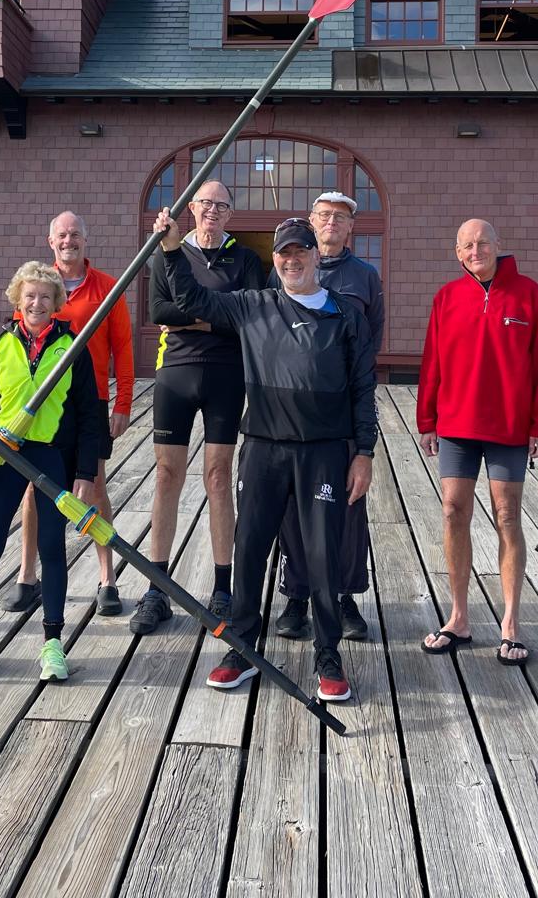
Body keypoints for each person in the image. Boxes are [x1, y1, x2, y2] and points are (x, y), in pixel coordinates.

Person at [153, 210, 376, 704]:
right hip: (263, 449)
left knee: (322, 554)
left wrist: (364, 453)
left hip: (323, 452)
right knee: (249, 548)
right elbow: (190, 298)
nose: (292, 261)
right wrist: (171, 248)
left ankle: (327, 654)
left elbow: (364, 387)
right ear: (274, 262)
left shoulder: (347, 315)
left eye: (300, 252)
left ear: (315, 256)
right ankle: (241, 648)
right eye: (283, 254)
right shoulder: (253, 305)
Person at [0, 262, 101, 683]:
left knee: (52, 547)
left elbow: (91, 412)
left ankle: (53, 644)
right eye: (29, 296)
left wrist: (86, 472)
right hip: (4, 454)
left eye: (45, 297)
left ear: (57, 303)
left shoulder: (72, 346)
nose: (37, 303)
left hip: (50, 455)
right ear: (18, 299)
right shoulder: (0, 344)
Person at [415, 219, 538, 665]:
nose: (476, 250)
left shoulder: (528, 294)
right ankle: (458, 617)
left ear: (499, 245)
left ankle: (510, 623)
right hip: (456, 423)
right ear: (457, 252)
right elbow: (432, 359)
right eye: (468, 245)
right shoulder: (447, 298)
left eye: (483, 242)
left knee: (507, 516)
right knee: (454, 511)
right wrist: (427, 418)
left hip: (509, 427)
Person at [136, 180, 265, 635]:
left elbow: (248, 316)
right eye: (205, 203)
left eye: (221, 206)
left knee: (217, 477)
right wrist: (213, 316)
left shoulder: (246, 259)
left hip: (227, 376)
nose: (212, 211)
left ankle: (223, 587)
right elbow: (158, 311)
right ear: (192, 207)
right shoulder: (168, 250)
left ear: (231, 214)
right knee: (167, 475)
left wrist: (200, 314)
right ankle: (156, 588)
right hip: (176, 372)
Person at [5, 212, 136, 618]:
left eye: (75, 234)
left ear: (85, 240)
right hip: (43, 403)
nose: (69, 241)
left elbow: (124, 348)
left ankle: (107, 578)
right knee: (33, 486)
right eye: (62, 235)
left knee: (94, 483)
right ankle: (28, 576)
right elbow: (17, 350)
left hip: (89, 402)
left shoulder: (107, 288)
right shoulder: (37, 289)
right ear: (50, 241)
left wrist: (123, 403)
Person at [273, 191, 383, 643]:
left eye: (340, 217)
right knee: (293, 506)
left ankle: (345, 596)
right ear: (312, 223)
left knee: (348, 505)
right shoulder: (289, 268)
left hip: (343, 411)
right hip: (292, 414)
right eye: (324, 215)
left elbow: (371, 338)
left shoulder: (365, 276)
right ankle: (297, 596)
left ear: (351, 227)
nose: (332, 223)